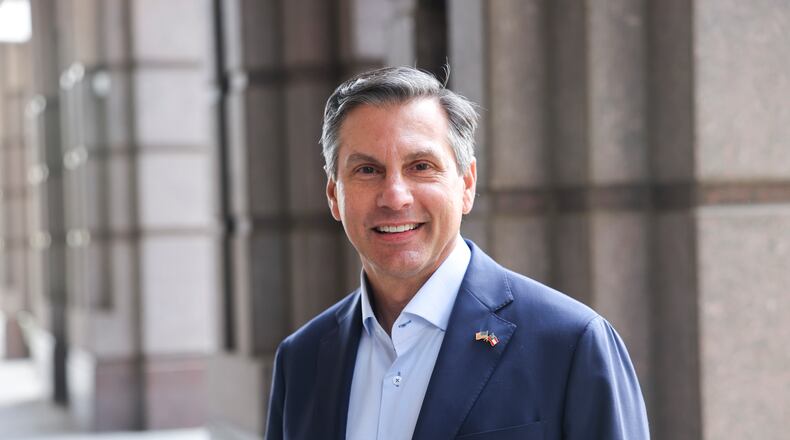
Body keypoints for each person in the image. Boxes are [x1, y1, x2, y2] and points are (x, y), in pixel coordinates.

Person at [265, 66, 649, 440]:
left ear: (466, 185)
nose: (395, 196)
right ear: (335, 196)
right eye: (367, 170)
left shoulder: (571, 343)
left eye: (421, 166)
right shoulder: (302, 360)